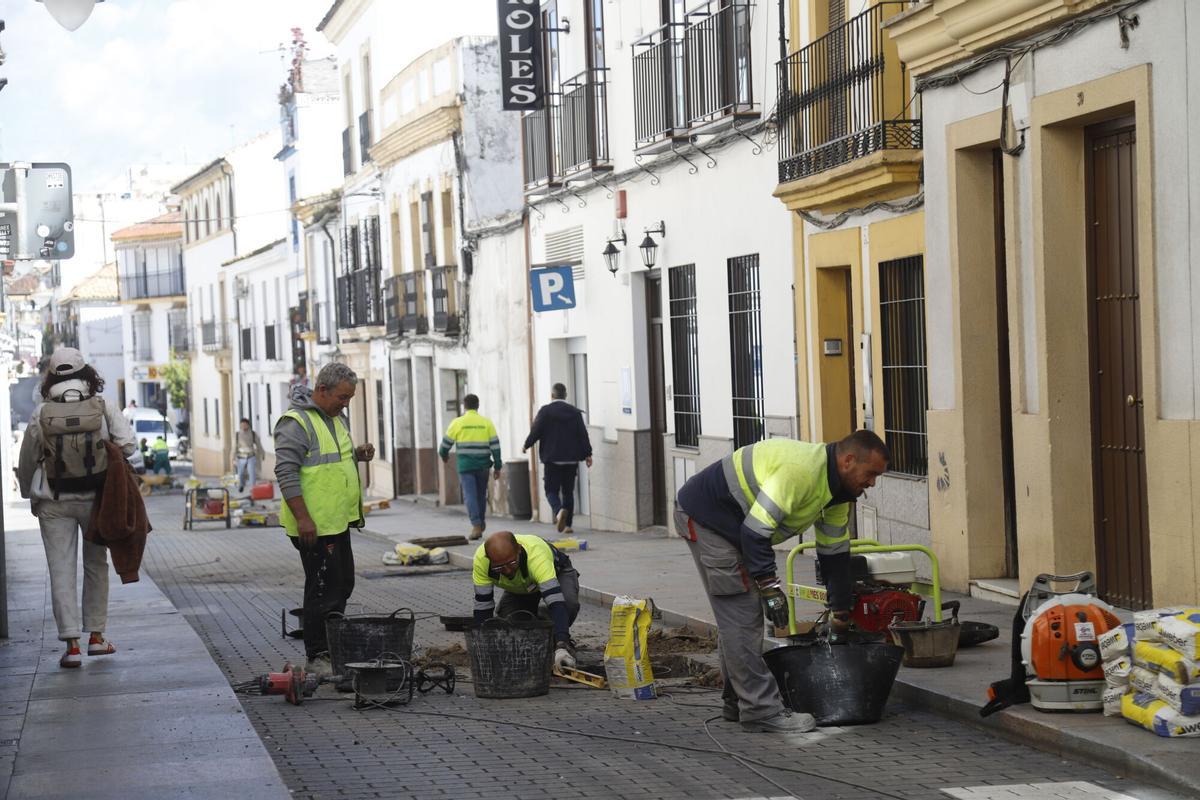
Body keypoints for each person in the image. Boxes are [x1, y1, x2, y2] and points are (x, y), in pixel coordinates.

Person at [674, 430, 890, 733]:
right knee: (742, 617)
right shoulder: (800, 472)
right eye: (870, 474)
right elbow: (755, 534)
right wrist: (771, 589)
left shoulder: (837, 495)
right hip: (708, 520)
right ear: (848, 460)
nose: (871, 484)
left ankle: (738, 701)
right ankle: (761, 709)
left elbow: (835, 555)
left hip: (736, 526)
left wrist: (841, 611)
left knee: (739, 618)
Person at [17, 347, 137, 668]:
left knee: (61, 569)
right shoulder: (102, 405)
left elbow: (28, 458)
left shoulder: (41, 412)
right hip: (96, 498)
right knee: (96, 565)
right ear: (86, 374)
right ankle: (96, 638)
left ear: (51, 377)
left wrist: (31, 494)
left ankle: (71, 645)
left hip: (53, 500)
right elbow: (128, 445)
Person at [274, 363, 374, 677]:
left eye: (350, 398)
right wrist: (303, 518)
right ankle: (318, 655)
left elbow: (330, 458)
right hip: (313, 526)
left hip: (335, 521)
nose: (346, 404)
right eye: (342, 397)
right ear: (322, 390)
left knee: (343, 583)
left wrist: (357, 454)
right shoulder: (295, 423)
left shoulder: (334, 418)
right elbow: (286, 472)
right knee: (322, 589)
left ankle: (331, 647)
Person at [472, 531, 580, 671]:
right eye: (499, 567)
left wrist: (562, 645)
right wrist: (484, 647)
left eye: (511, 563)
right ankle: (540, 626)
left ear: (519, 549)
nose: (508, 570)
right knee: (510, 624)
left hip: (558, 573)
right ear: (489, 559)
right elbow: (483, 607)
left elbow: (557, 603)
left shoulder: (536, 556)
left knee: (568, 605)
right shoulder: (482, 561)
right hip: (521, 588)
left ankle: (555, 638)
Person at [522, 383, 593, 534]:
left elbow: (536, 430)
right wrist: (588, 453)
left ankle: (558, 511)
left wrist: (526, 445)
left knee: (550, 490)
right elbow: (582, 434)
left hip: (552, 459)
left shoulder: (545, 411)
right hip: (571, 459)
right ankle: (568, 525)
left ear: (552, 396)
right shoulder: (574, 412)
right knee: (568, 492)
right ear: (565, 395)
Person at [439, 394, 502, 540]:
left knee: (470, 496)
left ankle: (476, 525)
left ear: (464, 406)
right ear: (478, 406)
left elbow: (445, 444)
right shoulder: (486, 423)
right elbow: (495, 446)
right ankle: (480, 521)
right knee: (481, 495)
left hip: (466, 466)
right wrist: (498, 465)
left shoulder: (458, 422)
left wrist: (444, 455)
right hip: (483, 466)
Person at [234, 417, 266, 493]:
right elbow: (234, 447)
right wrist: (232, 458)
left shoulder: (253, 434)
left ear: (248, 425)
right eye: (242, 425)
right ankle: (241, 485)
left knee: (252, 473)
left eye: (245, 425)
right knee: (241, 473)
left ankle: (253, 488)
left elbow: (259, 445)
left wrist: (262, 454)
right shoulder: (237, 434)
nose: (243, 426)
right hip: (241, 457)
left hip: (251, 456)